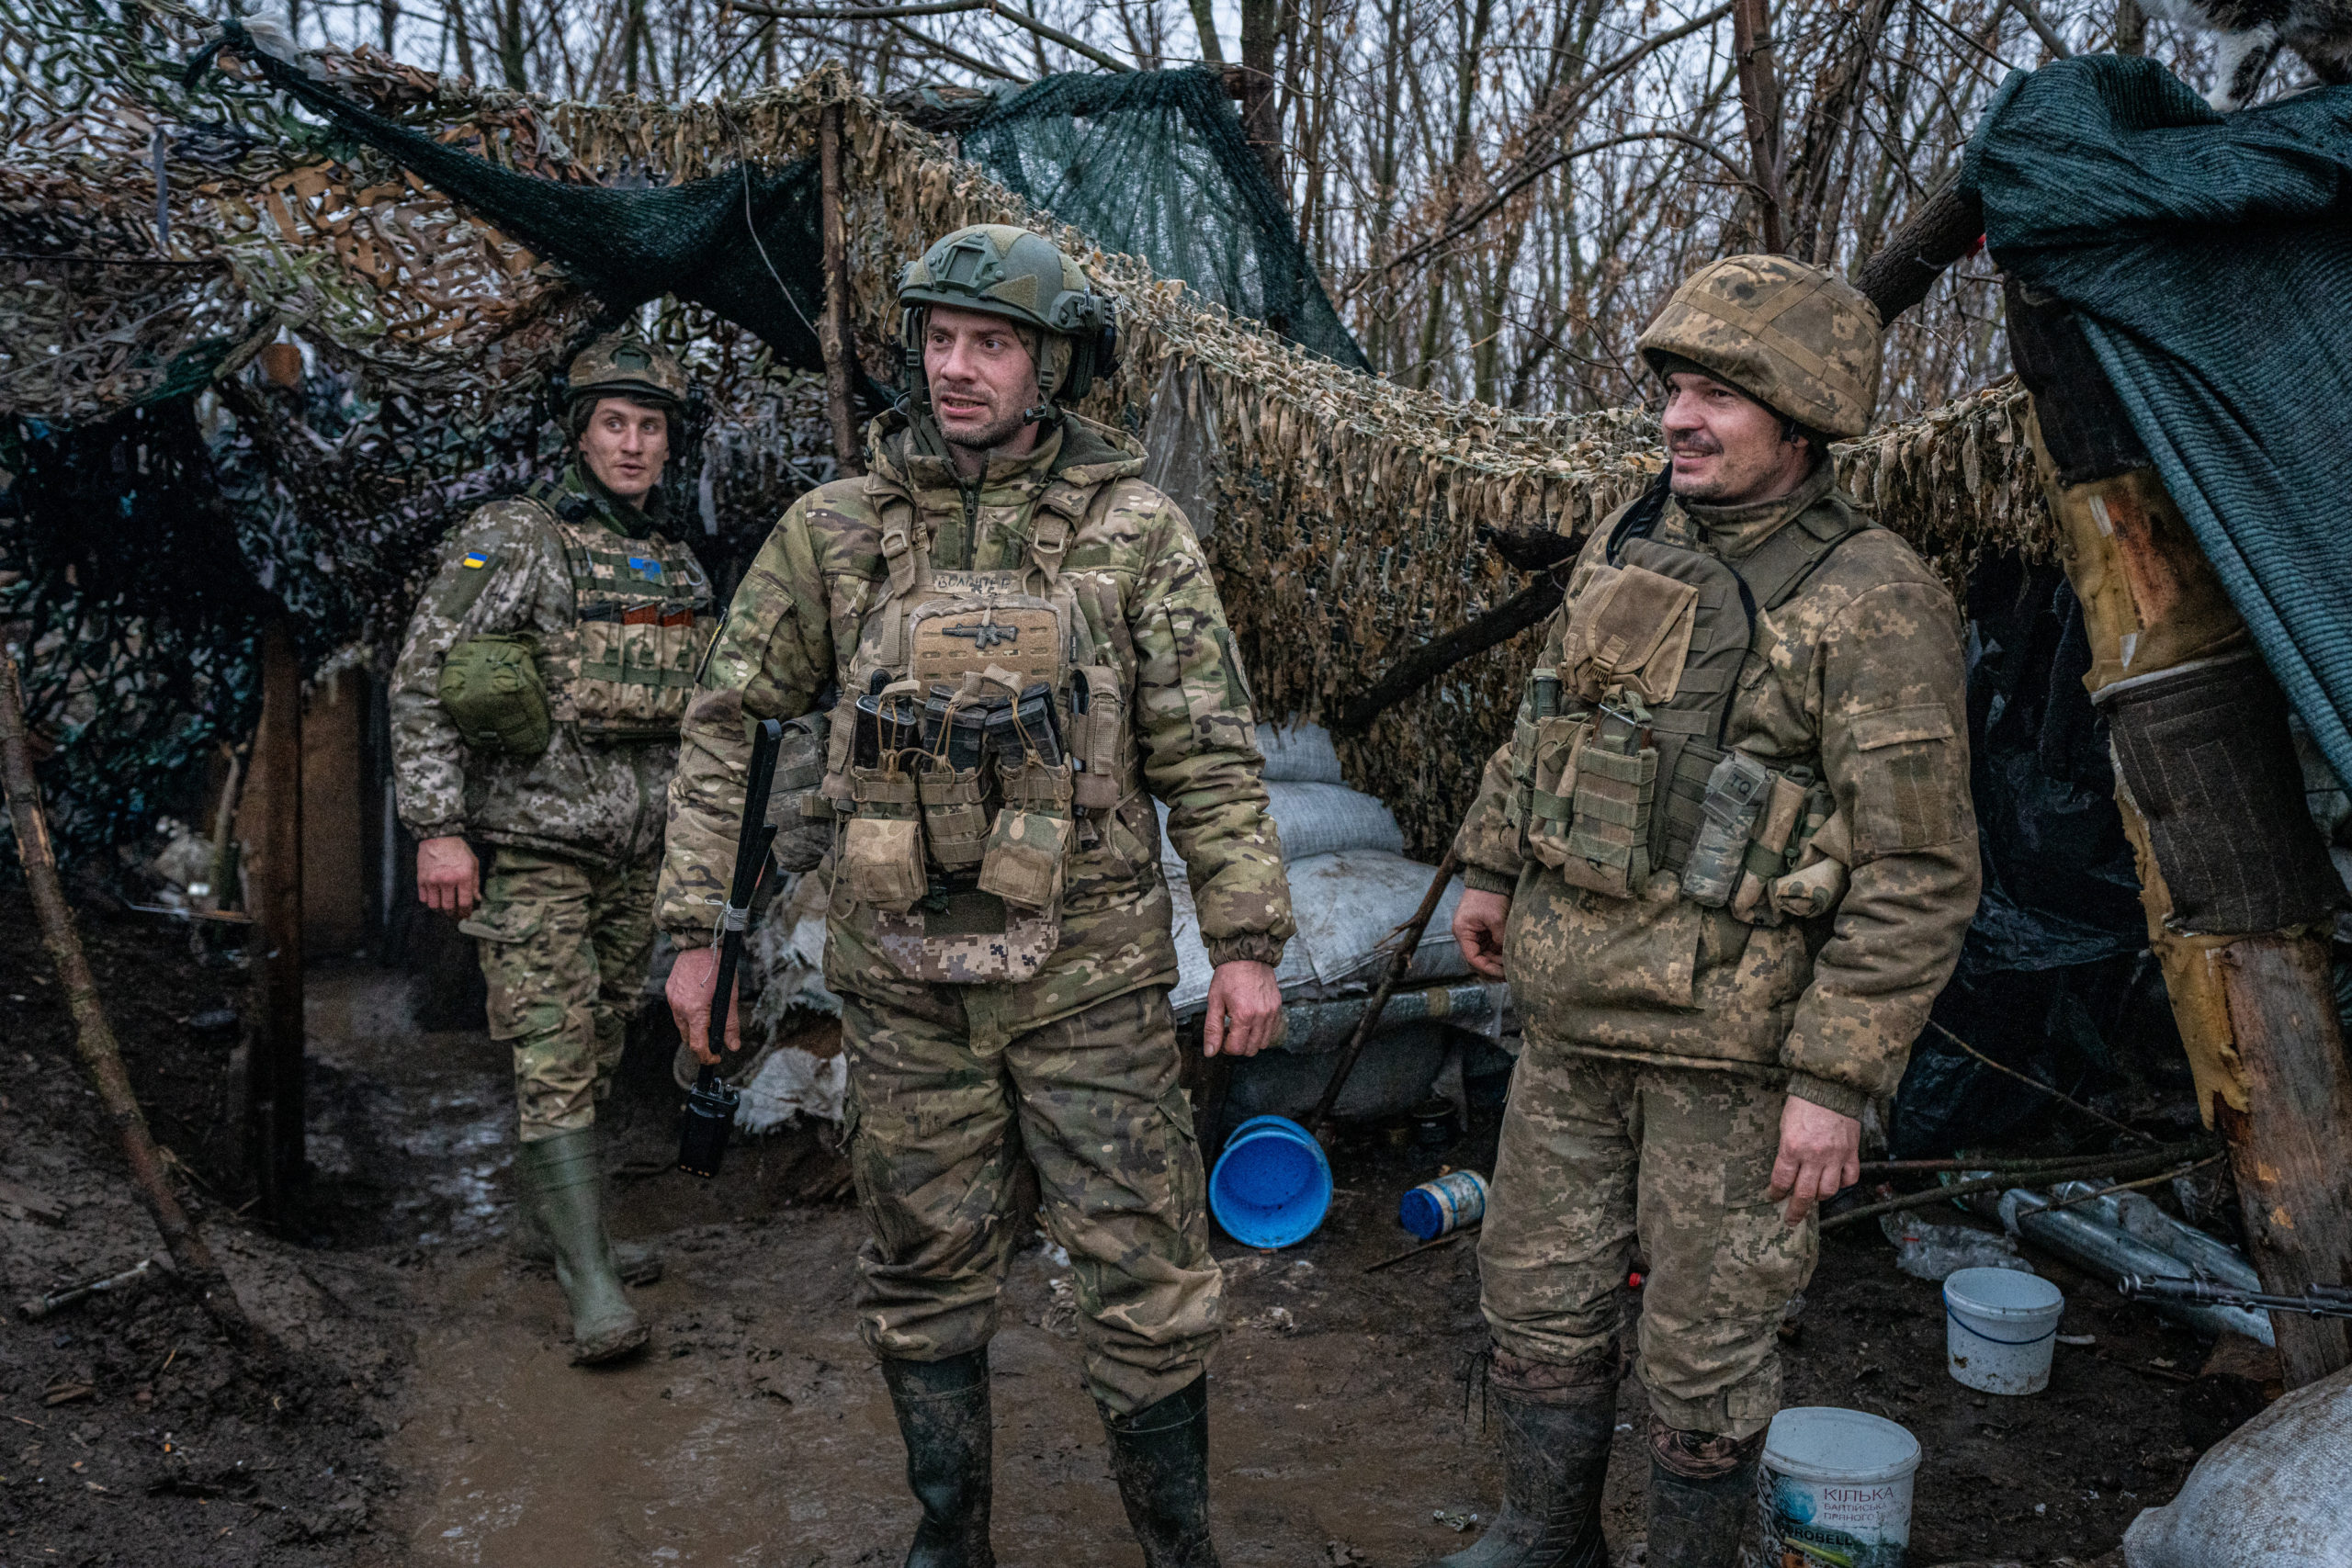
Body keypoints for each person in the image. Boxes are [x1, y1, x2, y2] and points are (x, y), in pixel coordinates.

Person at [658, 225, 1293, 1567]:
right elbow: (730, 722)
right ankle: (950, 1539)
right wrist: (696, 933)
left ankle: (1180, 1549)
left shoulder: (1135, 533)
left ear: (1050, 364)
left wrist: (1244, 941)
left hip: (1094, 987)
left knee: (1145, 1282)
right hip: (901, 986)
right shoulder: (832, 533)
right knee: (920, 1270)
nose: (956, 367)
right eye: (939, 338)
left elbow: (1209, 745)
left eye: (990, 343)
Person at [1436, 256, 1980, 1568]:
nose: (1680, 416)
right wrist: (1492, 865)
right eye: (1675, 387)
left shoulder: (1874, 595)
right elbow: (1549, 723)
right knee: (1536, 1300)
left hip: (1735, 1060)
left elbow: (1919, 868)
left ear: (1800, 422)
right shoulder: (1636, 542)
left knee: (1706, 1346)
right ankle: (1541, 1532)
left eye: (1719, 396)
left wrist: (1836, 1079)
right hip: (1570, 1024)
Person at [390, 333, 717, 1365]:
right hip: (533, 842)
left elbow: (707, 712)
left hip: (635, 849)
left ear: (670, 444)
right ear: (580, 435)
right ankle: (591, 1285)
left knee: (606, 1030)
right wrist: (439, 827)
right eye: (614, 423)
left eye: (650, 426)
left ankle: (553, 1225)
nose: (632, 443)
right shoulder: (515, 539)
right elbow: (425, 676)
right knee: (553, 1045)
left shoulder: (674, 563)